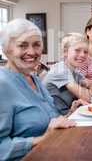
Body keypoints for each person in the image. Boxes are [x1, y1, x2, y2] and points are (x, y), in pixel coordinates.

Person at [0, 19, 81, 160]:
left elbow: (50, 122)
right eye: (22, 45)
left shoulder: (34, 79)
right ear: (7, 50)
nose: (31, 52)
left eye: (36, 45)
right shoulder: (3, 84)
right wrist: (43, 139)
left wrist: (71, 114)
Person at [43, 33, 92, 115]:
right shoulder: (60, 70)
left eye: (85, 52)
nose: (82, 55)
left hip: (68, 115)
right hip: (55, 121)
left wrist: (89, 90)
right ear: (65, 52)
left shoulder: (75, 72)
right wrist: (87, 92)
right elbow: (88, 97)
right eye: (77, 50)